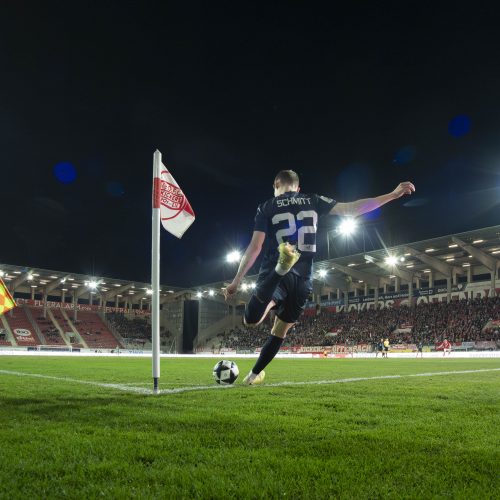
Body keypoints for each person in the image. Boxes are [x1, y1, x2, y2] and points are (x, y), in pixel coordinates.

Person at [224, 169, 415, 384]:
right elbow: (351, 209)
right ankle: (253, 376)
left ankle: (280, 269)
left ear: (275, 186)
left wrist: (236, 280)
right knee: (280, 330)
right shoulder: (313, 200)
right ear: (298, 188)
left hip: (275, 273)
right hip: (303, 278)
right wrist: (392, 194)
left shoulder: (266, 207)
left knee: (252, 320)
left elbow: (255, 246)